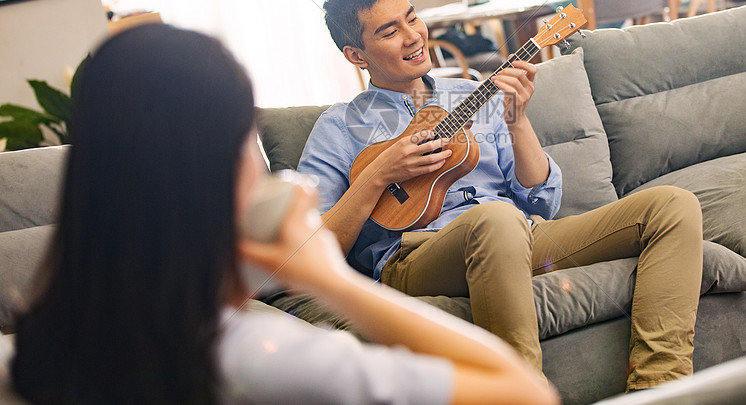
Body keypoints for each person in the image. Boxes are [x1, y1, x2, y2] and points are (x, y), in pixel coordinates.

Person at [3, 24, 558, 405]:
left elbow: (542, 198)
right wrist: (327, 277)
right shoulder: (256, 359)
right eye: (246, 139)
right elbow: (525, 394)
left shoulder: (18, 360)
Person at [297, 0, 704, 391]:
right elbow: (312, 249)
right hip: (416, 258)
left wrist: (518, 120)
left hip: (516, 237)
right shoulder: (339, 127)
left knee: (671, 206)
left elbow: (542, 202)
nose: (413, 36)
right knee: (496, 219)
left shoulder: (473, 93)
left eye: (412, 17)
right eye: (388, 31)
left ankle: (661, 390)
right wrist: (379, 175)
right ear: (356, 55)